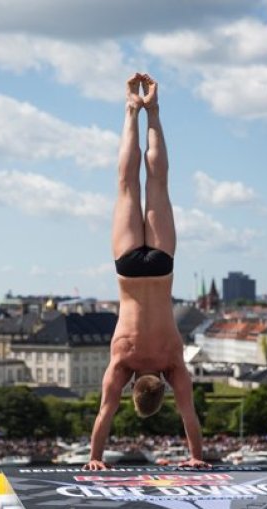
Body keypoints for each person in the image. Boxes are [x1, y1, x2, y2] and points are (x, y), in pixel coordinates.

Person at [82, 74, 209, 471]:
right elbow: (105, 413)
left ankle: (152, 110)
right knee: (124, 186)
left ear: (161, 391)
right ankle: (130, 110)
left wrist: (197, 457)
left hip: (161, 267)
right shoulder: (122, 363)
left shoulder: (174, 362)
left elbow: (190, 418)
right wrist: (95, 458)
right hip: (129, 271)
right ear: (136, 388)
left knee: (157, 182)